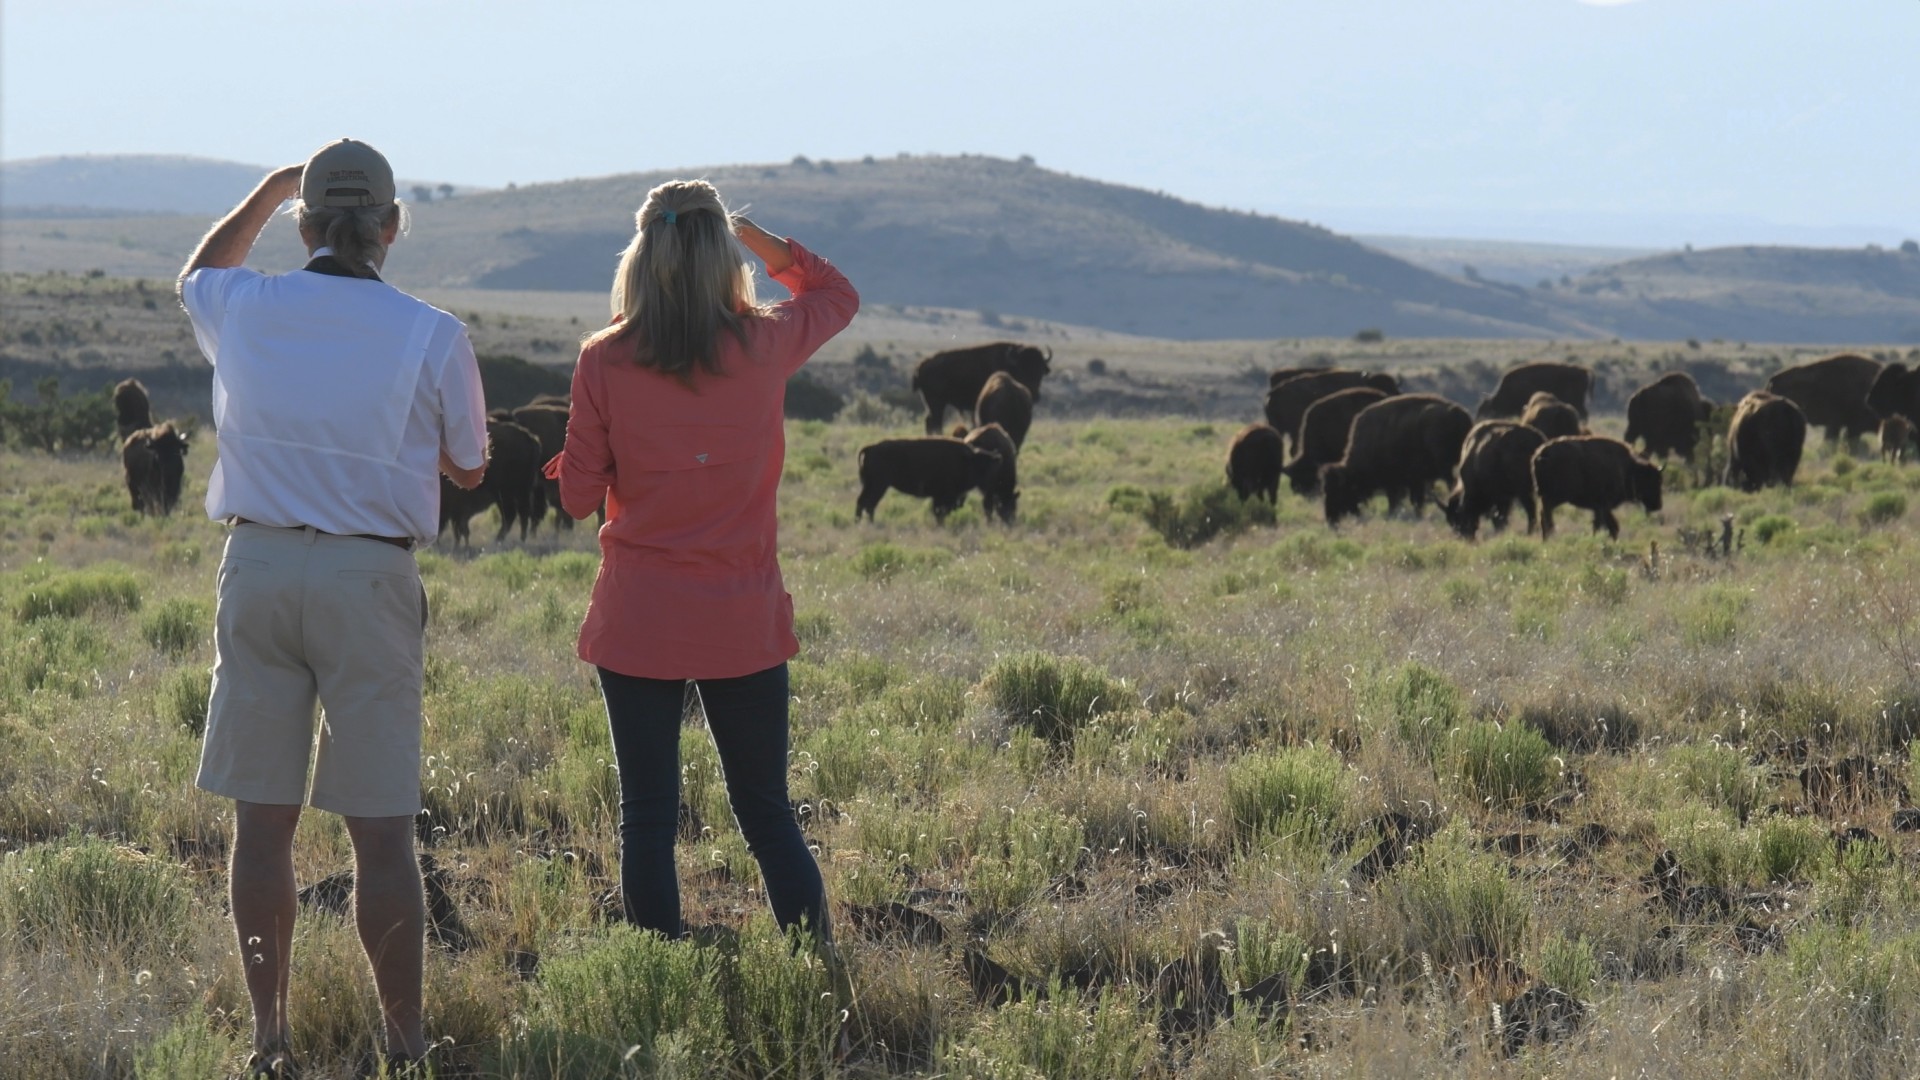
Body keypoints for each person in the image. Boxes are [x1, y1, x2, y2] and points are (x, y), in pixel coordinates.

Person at [177, 138, 489, 1079]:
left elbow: (196, 271)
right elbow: (471, 466)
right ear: (392, 228)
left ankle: (269, 1041)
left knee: (260, 825)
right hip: (368, 580)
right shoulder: (432, 332)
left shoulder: (244, 306)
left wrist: (267, 189)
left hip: (259, 566)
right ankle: (403, 1046)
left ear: (304, 224)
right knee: (382, 831)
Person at [546, 180, 857, 948]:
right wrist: (761, 239)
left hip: (638, 619)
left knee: (646, 816)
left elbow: (577, 497)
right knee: (766, 813)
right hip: (740, 618)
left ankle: (656, 982)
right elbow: (837, 293)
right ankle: (816, 972)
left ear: (642, 257)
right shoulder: (765, 342)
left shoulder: (604, 358)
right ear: (722, 252)